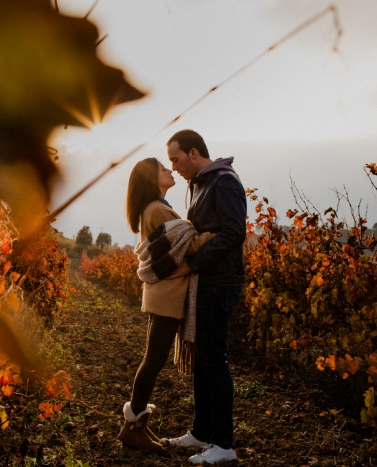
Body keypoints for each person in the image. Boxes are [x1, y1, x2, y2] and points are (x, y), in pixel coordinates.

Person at [117, 157, 215, 452]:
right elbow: (186, 244)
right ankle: (132, 427)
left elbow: (178, 241)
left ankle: (136, 425)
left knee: (153, 359)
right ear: (151, 179)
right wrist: (221, 235)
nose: (170, 170)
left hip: (163, 294)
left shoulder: (155, 208)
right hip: (167, 296)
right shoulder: (157, 209)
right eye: (163, 168)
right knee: (153, 360)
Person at [161, 129, 246, 465]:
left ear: (194, 153)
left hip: (220, 281)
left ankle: (224, 444)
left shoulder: (223, 180)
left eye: (176, 159)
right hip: (206, 281)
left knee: (213, 359)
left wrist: (193, 263)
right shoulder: (200, 184)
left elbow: (234, 232)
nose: (174, 166)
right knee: (202, 357)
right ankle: (201, 431)